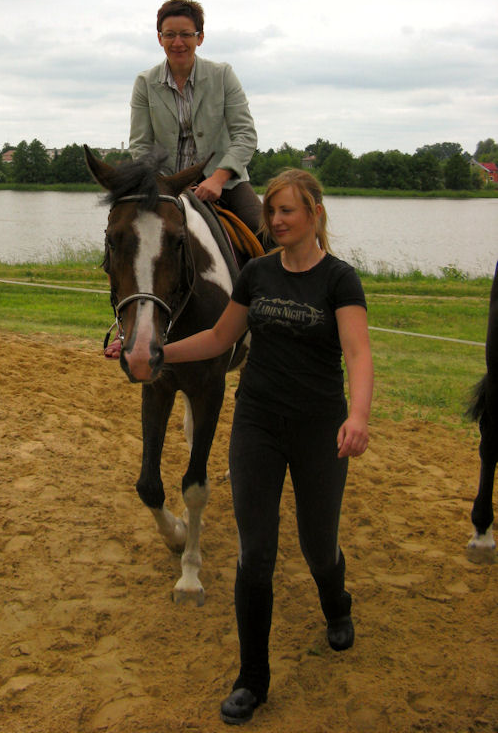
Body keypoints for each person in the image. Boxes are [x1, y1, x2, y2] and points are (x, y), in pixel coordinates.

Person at [161, 168, 373, 725]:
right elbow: (218, 338)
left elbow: (358, 353)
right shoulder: (256, 274)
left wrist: (357, 416)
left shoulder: (340, 280)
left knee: (318, 547)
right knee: (255, 554)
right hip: (256, 425)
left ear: (315, 214)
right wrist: (159, 353)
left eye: (287, 211)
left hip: (319, 428)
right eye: (271, 211)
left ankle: (337, 603)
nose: (275, 220)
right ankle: (252, 679)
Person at [129, 0, 263, 236]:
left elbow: (245, 135)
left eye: (186, 34)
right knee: (124, 234)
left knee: (266, 232)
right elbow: (140, 145)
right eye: (170, 35)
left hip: (225, 182)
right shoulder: (144, 83)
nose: (177, 42)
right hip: (165, 184)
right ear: (159, 38)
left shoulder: (222, 75)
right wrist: (160, 184)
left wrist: (218, 179)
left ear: (199, 38)